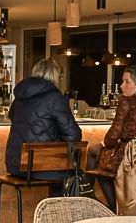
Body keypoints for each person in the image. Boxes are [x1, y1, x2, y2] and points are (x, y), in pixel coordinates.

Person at [5, 57, 81, 192]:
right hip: (43, 168)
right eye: (59, 76)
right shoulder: (55, 98)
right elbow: (73, 134)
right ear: (54, 76)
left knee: (63, 168)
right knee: (72, 170)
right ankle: (56, 211)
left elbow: (13, 117)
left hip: (15, 165)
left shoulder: (20, 98)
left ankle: (52, 210)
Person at [92, 65, 136, 210]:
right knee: (100, 157)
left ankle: (103, 202)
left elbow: (114, 135)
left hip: (128, 155)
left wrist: (105, 143)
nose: (122, 86)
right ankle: (104, 202)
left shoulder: (125, 102)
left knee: (94, 154)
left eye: (126, 82)